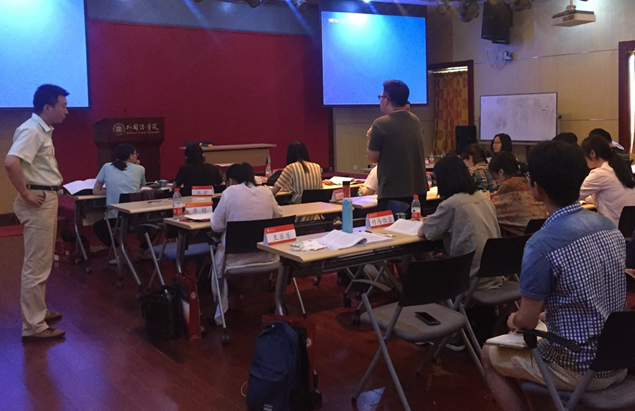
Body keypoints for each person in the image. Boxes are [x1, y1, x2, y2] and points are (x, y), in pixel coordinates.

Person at [482, 140, 627, 411]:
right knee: (538, 332)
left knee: (489, 353)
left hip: (579, 368)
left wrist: (513, 319)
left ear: (536, 188)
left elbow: (525, 321)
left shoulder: (541, 244)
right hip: (620, 358)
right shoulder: (609, 228)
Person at [4, 84, 69, 342]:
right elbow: (11, 162)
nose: (66, 111)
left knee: (42, 262)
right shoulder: (32, 130)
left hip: (45, 198)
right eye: (63, 106)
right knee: (36, 265)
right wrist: (26, 194)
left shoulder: (41, 130)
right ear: (47, 107)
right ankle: (33, 325)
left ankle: (38, 312)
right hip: (38, 200)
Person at [211, 162, 283, 324]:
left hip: (234, 260)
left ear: (230, 180)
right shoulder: (266, 191)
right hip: (267, 256)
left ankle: (227, 301)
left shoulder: (229, 193)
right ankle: (238, 296)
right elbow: (279, 214)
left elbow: (216, 226)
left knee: (218, 252)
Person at [418, 155, 501, 286]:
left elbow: (423, 232)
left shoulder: (451, 204)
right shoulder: (484, 198)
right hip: (495, 273)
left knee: (423, 272)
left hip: (468, 277)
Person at [367, 80, 427, 212]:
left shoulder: (380, 123)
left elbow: (372, 157)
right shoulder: (415, 120)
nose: (380, 100)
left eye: (380, 97)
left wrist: (370, 138)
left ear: (386, 101)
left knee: (390, 225)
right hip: (418, 190)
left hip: (392, 192)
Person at [92, 143, 153, 262]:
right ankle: (141, 252)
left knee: (99, 227)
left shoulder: (107, 167)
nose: (136, 156)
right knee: (154, 225)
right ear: (130, 156)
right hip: (136, 217)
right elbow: (138, 189)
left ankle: (120, 253)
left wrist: (111, 190)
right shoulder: (140, 169)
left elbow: (96, 191)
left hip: (115, 218)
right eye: (135, 153)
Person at [579, 135, 635, 226]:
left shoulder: (600, 173)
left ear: (592, 154)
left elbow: (573, 196)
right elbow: (609, 195)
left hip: (612, 228)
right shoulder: (618, 169)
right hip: (629, 229)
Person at [488, 152, 548, 236]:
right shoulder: (526, 182)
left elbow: (489, 210)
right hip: (540, 235)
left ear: (501, 172)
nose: (496, 182)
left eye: (495, 178)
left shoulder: (508, 185)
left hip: (519, 240)